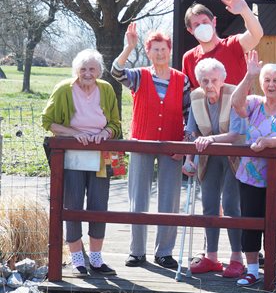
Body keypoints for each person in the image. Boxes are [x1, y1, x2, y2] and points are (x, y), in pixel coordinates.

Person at [112, 22, 191, 270]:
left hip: (171, 145)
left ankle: (164, 252)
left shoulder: (181, 79)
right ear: (148, 52)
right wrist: (128, 47)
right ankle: (137, 251)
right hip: (142, 142)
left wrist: (185, 143)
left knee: (169, 200)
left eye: (163, 49)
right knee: (138, 199)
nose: (160, 53)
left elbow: (189, 114)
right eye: (155, 49)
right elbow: (116, 71)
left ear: (170, 51)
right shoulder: (139, 76)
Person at [42, 49, 122, 276]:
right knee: (73, 205)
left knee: (99, 206)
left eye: (92, 69)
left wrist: (105, 133)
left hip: (100, 156)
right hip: (71, 155)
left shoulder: (106, 89)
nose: (87, 73)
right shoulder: (63, 89)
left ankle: (96, 259)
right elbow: (48, 122)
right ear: (76, 70)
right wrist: (75, 134)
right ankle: (77, 259)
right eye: (83, 69)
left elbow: (116, 124)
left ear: (99, 71)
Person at [231, 50, 276, 287]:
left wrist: (269, 143)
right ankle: (252, 270)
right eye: (267, 80)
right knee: (250, 220)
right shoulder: (253, 103)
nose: (271, 85)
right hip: (250, 175)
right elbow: (236, 104)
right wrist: (249, 76)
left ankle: (271, 270)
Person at [183, 58, 246, 278]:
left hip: (234, 157)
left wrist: (210, 139)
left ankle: (237, 258)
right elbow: (192, 132)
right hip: (208, 157)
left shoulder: (235, 94)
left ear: (223, 79)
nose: (209, 85)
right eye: (204, 80)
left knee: (230, 205)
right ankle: (211, 257)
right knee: (209, 204)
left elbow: (236, 133)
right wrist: (189, 159)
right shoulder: (195, 98)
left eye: (214, 80)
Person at [182, 0, 263, 88]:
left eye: (205, 22)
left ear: (214, 22)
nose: (202, 27)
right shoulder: (189, 58)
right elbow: (189, 92)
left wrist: (244, 10)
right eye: (197, 25)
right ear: (190, 30)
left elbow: (256, 35)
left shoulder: (232, 45)